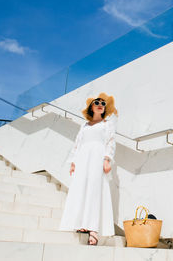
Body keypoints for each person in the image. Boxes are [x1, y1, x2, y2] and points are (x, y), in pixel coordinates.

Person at [58, 92, 118, 245]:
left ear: (105, 109)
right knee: (81, 188)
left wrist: (107, 159)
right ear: (92, 106)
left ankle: (94, 229)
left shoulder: (107, 124)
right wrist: (73, 162)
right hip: (83, 158)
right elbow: (78, 144)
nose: (100, 104)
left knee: (95, 189)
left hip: (98, 157)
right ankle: (82, 224)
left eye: (103, 103)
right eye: (97, 102)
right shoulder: (84, 125)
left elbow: (110, 142)